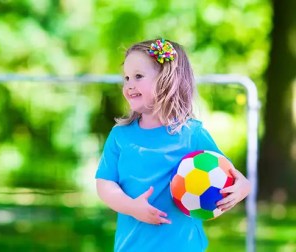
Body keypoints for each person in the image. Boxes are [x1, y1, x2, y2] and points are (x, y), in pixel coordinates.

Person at [95, 38, 251, 252]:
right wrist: (131, 207)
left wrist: (243, 186)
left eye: (138, 76)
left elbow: (228, 174)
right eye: (126, 78)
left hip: (184, 246)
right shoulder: (120, 136)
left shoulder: (192, 134)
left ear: (167, 80)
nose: (129, 85)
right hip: (132, 246)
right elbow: (105, 184)